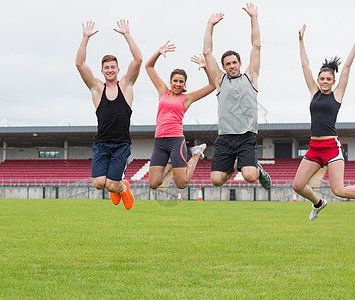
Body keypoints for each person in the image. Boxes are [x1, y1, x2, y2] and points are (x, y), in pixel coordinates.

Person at [293, 24, 355, 220]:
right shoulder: (314, 92)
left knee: (339, 189)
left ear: (334, 81)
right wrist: (301, 42)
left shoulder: (337, 95)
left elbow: (346, 66)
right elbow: (305, 66)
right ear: (318, 79)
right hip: (314, 147)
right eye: (322, 78)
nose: (325, 81)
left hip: (331, 147)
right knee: (297, 186)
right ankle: (318, 203)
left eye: (328, 79)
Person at [202, 3, 271, 189]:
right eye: (228, 64)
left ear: (240, 63)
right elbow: (207, 52)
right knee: (216, 180)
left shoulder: (251, 77)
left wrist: (253, 18)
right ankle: (235, 165)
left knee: (249, 176)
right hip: (225, 137)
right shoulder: (219, 80)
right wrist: (210, 26)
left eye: (234, 62)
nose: (232, 66)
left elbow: (256, 46)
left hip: (246, 136)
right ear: (223, 67)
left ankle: (256, 168)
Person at [75, 20, 142, 210]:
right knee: (98, 183)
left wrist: (127, 34)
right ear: (102, 71)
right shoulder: (97, 89)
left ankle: (122, 187)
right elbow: (79, 64)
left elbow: (138, 59)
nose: (110, 70)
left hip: (121, 144)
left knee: (112, 184)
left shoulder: (126, 86)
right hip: (101, 143)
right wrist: (85, 38)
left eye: (113, 67)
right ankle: (118, 187)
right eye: (107, 68)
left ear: (118, 69)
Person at [145, 41, 215, 189]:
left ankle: (196, 154)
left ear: (184, 84)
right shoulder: (162, 91)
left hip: (176, 141)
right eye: (175, 81)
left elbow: (212, 85)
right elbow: (148, 67)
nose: (177, 84)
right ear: (170, 82)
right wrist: (158, 52)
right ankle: (170, 165)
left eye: (181, 82)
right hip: (160, 141)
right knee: (153, 183)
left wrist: (206, 68)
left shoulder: (187, 98)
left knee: (181, 183)